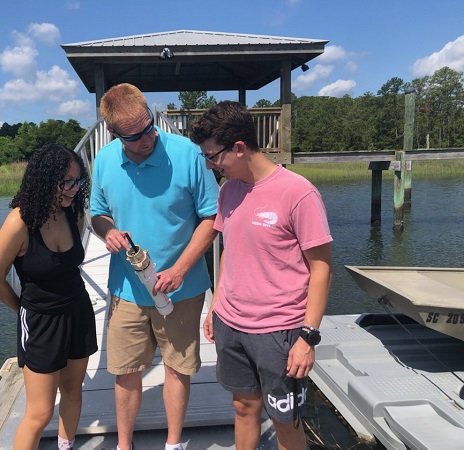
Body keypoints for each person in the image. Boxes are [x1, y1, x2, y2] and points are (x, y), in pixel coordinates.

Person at [190, 101, 333, 450]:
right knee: (243, 407)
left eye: (214, 156)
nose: (210, 165)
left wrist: (307, 337)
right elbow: (229, 252)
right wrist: (216, 306)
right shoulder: (228, 191)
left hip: (280, 332)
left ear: (239, 148)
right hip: (231, 324)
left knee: (286, 423)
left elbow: (322, 268)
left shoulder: (298, 193)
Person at [90, 83, 220, 450]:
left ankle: (173, 444)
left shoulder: (188, 155)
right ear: (114, 133)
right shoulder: (104, 160)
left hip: (183, 287)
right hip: (126, 289)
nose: (147, 139)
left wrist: (180, 269)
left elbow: (211, 217)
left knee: (178, 367)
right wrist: (108, 231)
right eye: (135, 137)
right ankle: (124, 445)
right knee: (125, 372)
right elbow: (97, 213)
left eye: (149, 128)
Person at [0, 143, 98, 450]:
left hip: (78, 310)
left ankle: (65, 446)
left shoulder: (72, 212)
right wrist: (23, 310)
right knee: (39, 412)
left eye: (78, 181)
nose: (75, 189)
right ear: (45, 180)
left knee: (74, 390)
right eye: (68, 182)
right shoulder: (19, 223)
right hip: (41, 321)